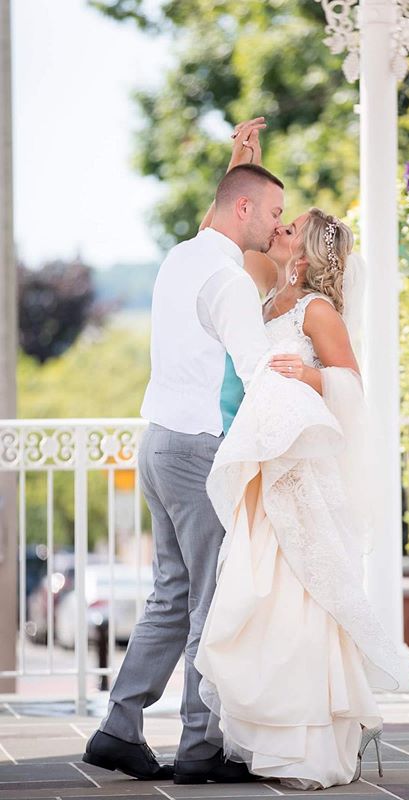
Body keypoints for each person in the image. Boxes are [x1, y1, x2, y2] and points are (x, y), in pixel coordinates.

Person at [83, 120, 300, 785]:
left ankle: (119, 727)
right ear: (243, 208)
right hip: (196, 449)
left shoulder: (184, 256)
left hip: (155, 443)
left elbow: (217, 210)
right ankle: (200, 748)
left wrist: (241, 161)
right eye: (271, 212)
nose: (275, 224)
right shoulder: (231, 282)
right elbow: (258, 369)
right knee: (206, 597)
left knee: (172, 595)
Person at [195, 189, 402, 786]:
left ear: (306, 255)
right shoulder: (265, 300)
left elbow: (352, 389)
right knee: (263, 602)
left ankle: (309, 746)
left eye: (292, 228)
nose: (280, 227)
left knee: (303, 600)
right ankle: (265, 743)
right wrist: (239, 164)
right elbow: (225, 222)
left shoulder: (316, 311)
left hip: (304, 476)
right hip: (264, 472)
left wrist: (312, 375)